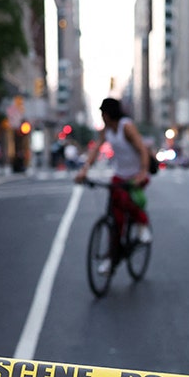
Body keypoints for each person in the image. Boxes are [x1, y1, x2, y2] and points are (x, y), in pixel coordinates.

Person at [74, 97, 152, 274]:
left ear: (108, 114)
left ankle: (142, 225)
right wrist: (84, 170)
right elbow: (95, 150)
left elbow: (142, 149)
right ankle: (112, 258)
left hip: (135, 175)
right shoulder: (107, 130)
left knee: (127, 201)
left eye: (103, 113)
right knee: (115, 221)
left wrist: (142, 172)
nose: (102, 116)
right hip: (119, 176)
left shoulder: (127, 126)